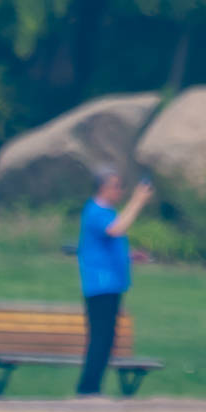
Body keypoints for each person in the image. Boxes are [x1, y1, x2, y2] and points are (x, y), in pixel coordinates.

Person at [76, 167, 155, 395]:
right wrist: (138, 200)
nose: (120, 191)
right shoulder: (95, 211)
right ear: (104, 187)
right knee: (101, 338)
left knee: (106, 338)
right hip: (100, 285)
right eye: (117, 186)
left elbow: (107, 243)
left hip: (111, 284)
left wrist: (130, 256)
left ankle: (91, 387)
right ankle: (88, 389)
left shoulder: (107, 212)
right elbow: (117, 229)